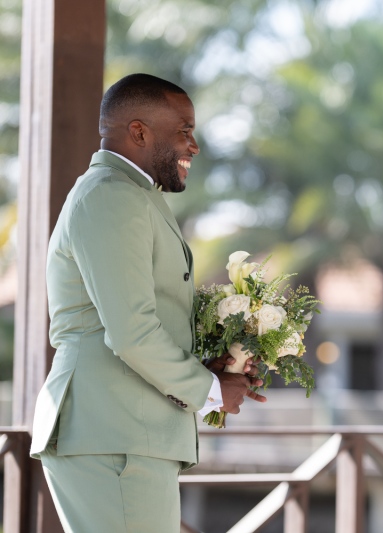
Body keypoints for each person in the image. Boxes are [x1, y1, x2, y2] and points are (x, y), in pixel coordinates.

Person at [30, 73, 266, 532]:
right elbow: (131, 332)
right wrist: (209, 391)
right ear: (138, 131)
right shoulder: (111, 196)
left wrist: (210, 367)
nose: (194, 146)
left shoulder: (134, 196)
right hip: (113, 434)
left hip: (124, 433)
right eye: (184, 130)